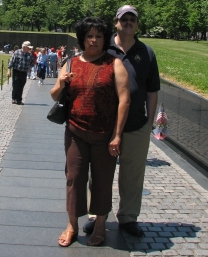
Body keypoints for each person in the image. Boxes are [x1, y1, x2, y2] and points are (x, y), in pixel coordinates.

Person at [50, 17, 130, 247]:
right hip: (75, 131)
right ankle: (72, 225)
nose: (93, 40)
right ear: (82, 39)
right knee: (74, 178)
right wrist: (61, 83)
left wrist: (117, 135)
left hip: (104, 134)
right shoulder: (71, 63)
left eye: (98, 36)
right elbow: (54, 95)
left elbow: (124, 100)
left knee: (103, 181)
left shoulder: (114, 64)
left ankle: (101, 224)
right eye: (89, 36)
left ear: (105, 39)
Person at [83, 5, 160, 238]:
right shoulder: (104, 48)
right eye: (123, 19)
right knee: (98, 173)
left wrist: (149, 122)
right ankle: (96, 215)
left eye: (132, 20)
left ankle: (127, 217)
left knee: (132, 175)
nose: (128, 23)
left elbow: (152, 90)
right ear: (116, 22)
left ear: (137, 24)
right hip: (103, 124)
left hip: (136, 124)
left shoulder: (146, 53)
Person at [7, 41, 33, 105]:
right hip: (16, 71)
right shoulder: (17, 52)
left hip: (24, 72)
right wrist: (9, 70)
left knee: (21, 86)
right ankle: (13, 98)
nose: (29, 49)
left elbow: (32, 63)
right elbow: (11, 62)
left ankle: (19, 100)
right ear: (24, 47)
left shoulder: (29, 54)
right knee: (15, 86)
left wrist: (29, 68)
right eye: (28, 48)